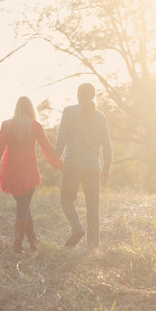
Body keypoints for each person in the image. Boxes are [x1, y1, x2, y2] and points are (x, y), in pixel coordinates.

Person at [0, 96, 64, 253]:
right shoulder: (34, 126)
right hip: (28, 170)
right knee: (23, 206)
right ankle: (17, 245)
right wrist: (60, 165)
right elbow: (47, 148)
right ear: (31, 109)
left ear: (16, 108)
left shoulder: (6, 125)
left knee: (24, 206)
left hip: (10, 170)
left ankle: (33, 241)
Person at [54, 83, 113, 249]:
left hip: (72, 164)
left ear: (78, 94)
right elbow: (107, 145)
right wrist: (107, 168)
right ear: (93, 96)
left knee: (66, 200)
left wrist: (56, 157)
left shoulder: (69, 111)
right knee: (93, 206)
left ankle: (76, 227)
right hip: (93, 167)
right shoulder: (100, 117)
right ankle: (93, 246)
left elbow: (62, 137)